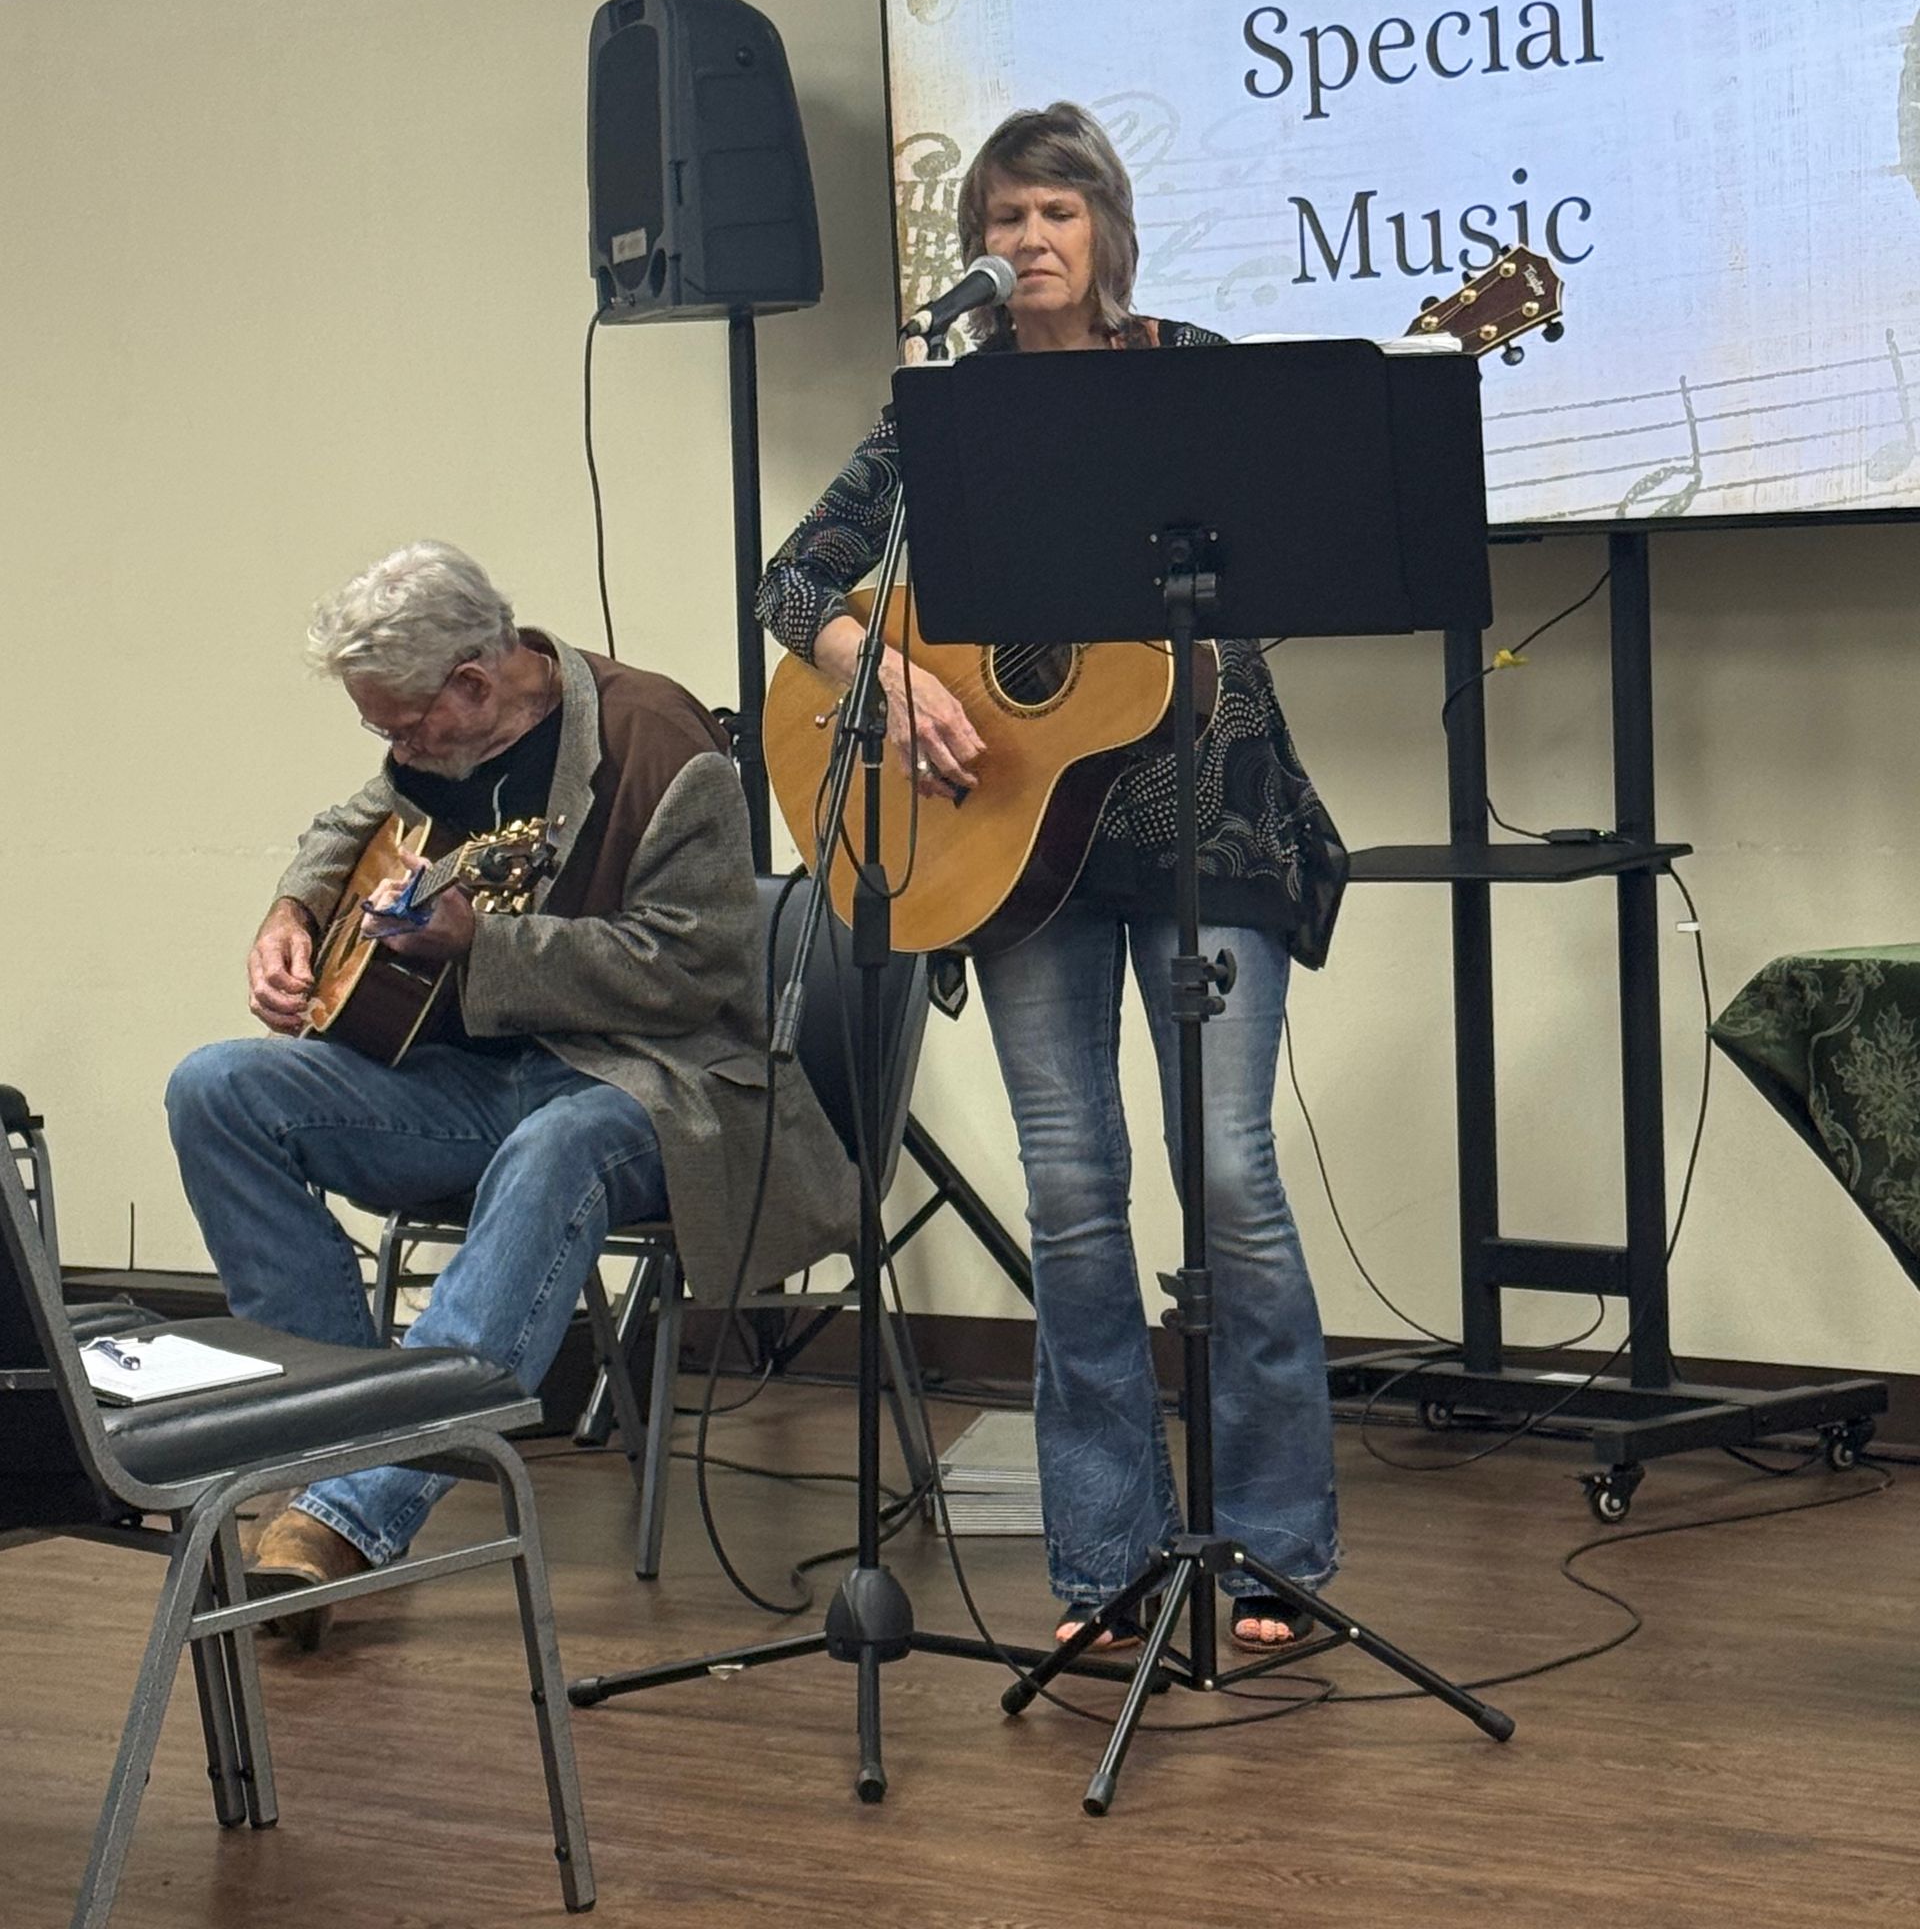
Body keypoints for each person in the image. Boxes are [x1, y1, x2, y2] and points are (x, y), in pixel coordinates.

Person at [757, 102, 1347, 1652]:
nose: (1027, 244)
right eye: (1003, 221)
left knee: (1229, 1183)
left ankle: (1273, 1548)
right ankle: (1104, 1562)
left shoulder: (1187, 371)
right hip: (1021, 851)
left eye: (1055, 215)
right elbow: (796, 576)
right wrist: (873, 671)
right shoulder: (948, 414)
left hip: (1210, 822)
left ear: (1107, 233)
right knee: (1076, 1201)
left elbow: (1311, 539)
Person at [168, 540, 855, 1641]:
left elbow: (694, 972)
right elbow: (350, 823)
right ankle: (319, 1447)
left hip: (656, 1082)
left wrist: (486, 944)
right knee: (218, 1087)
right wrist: (291, 910)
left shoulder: (662, 746)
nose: (396, 747)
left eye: (402, 724)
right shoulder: (440, 743)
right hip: (475, 1080)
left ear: (475, 684)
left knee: (556, 1150)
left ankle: (351, 1513)